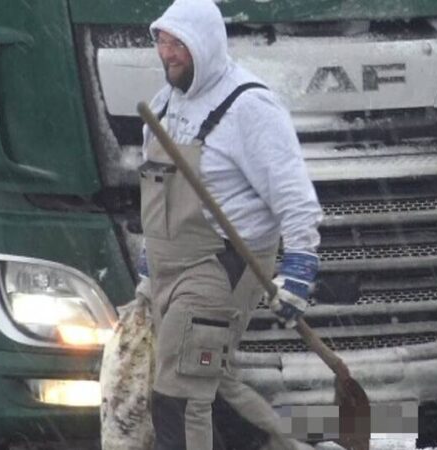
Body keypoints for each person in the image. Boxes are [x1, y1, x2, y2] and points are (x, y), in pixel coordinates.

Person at [138, 0, 323, 448]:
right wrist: (150, 260)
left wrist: (299, 267)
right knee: (212, 380)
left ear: (206, 44)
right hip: (171, 266)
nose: (169, 54)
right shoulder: (165, 105)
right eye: (163, 42)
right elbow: (159, 191)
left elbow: (294, 194)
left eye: (179, 44)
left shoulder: (250, 107)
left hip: (220, 266)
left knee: (180, 395)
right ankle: (280, 444)